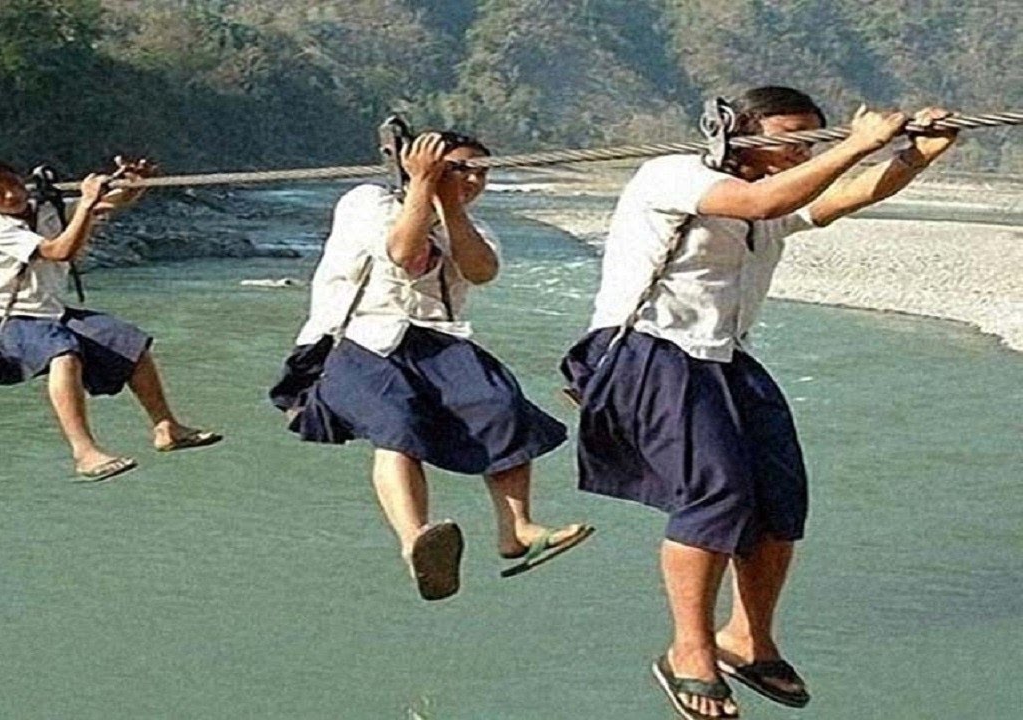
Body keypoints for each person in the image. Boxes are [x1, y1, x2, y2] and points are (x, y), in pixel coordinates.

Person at [560, 87, 957, 718]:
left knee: (779, 500)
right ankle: (688, 650)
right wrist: (856, 143)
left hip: (724, 357)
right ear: (740, 128)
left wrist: (918, 158)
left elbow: (838, 199)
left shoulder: (780, 194)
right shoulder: (674, 175)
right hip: (650, 349)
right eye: (790, 132)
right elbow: (758, 199)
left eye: (812, 136)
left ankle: (746, 639)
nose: (802, 146)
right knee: (714, 492)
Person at [272, 130, 592, 601]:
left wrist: (451, 206)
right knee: (397, 426)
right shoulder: (368, 202)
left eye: (482, 172)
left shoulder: (473, 229)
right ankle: (415, 539)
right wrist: (422, 185)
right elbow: (403, 253)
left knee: (500, 405)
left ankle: (516, 529)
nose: (475, 180)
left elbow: (481, 271)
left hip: (436, 342)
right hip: (356, 339)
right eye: (462, 170)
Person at [0, 158, 221, 482]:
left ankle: (167, 427)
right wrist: (86, 205)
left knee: (128, 342)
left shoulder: (45, 208)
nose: (11, 196)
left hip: (49, 312)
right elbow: (58, 251)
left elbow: (109, 203)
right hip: (1, 320)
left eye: (13, 184)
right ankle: (84, 452)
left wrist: (132, 184)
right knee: (62, 353)